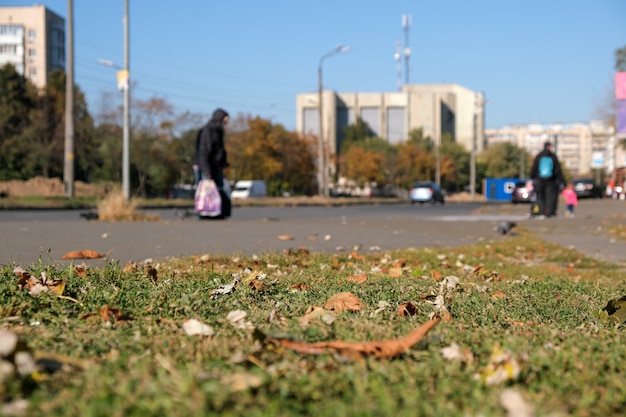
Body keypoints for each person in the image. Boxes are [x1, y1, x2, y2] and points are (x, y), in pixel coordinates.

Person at [195, 108, 231, 218]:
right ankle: (203, 216)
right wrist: (206, 171)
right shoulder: (208, 131)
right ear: (219, 119)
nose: (226, 123)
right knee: (206, 193)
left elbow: (219, 151)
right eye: (225, 121)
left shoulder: (218, 132)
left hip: (216, 167)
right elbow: (203, 152)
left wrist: (223, 162)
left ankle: (220, 214)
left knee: (225, 189)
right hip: (206, 167)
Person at [530, 141, 564, 218]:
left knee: (540, 197)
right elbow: (558, 169)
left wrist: (532, 178)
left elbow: (534, 168)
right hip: (551, 181)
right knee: (550, 197)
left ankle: (541, 212)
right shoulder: (553, 156)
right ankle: (549, 212)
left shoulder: (539, 156)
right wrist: (561, 180)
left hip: (540, 180)